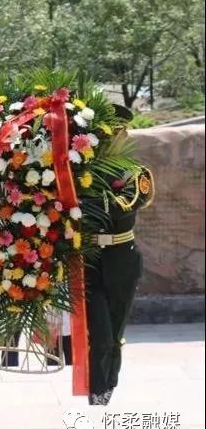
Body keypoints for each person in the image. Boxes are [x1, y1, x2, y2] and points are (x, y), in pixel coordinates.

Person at [84, 104, 154, 405]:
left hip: (121, 260)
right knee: (98, 332)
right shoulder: (81, 171)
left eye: (118, 131)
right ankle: (97, 392)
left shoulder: (137, 174)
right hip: (90, 260)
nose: (112, 136)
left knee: (113, 333)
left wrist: (85, 200)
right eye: (106, 131)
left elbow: (122, 206)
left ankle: (108, 382)